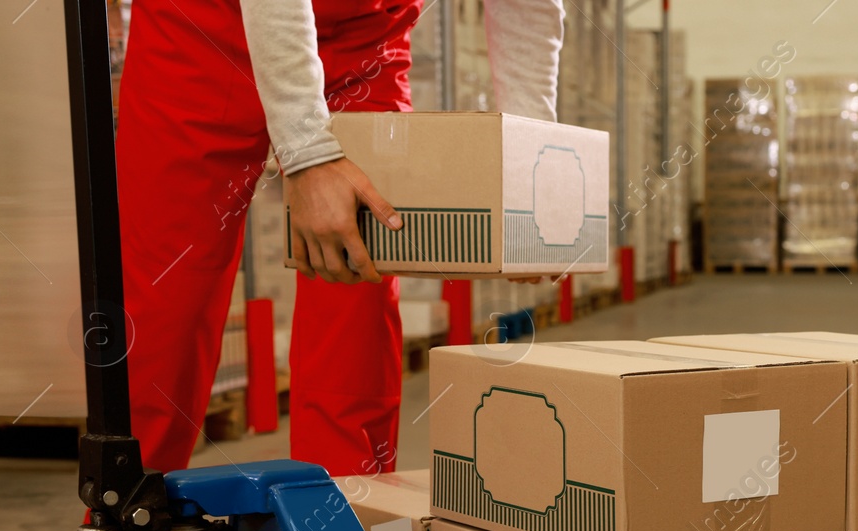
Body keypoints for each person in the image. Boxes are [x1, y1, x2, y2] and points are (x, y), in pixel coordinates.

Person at [116, 0, 565, 476]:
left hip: (362, 40)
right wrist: (307, 154)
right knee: (169, 292)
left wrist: (531, 151)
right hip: (203, 28)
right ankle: (129, 516)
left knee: (357, 280)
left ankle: (342, 514)